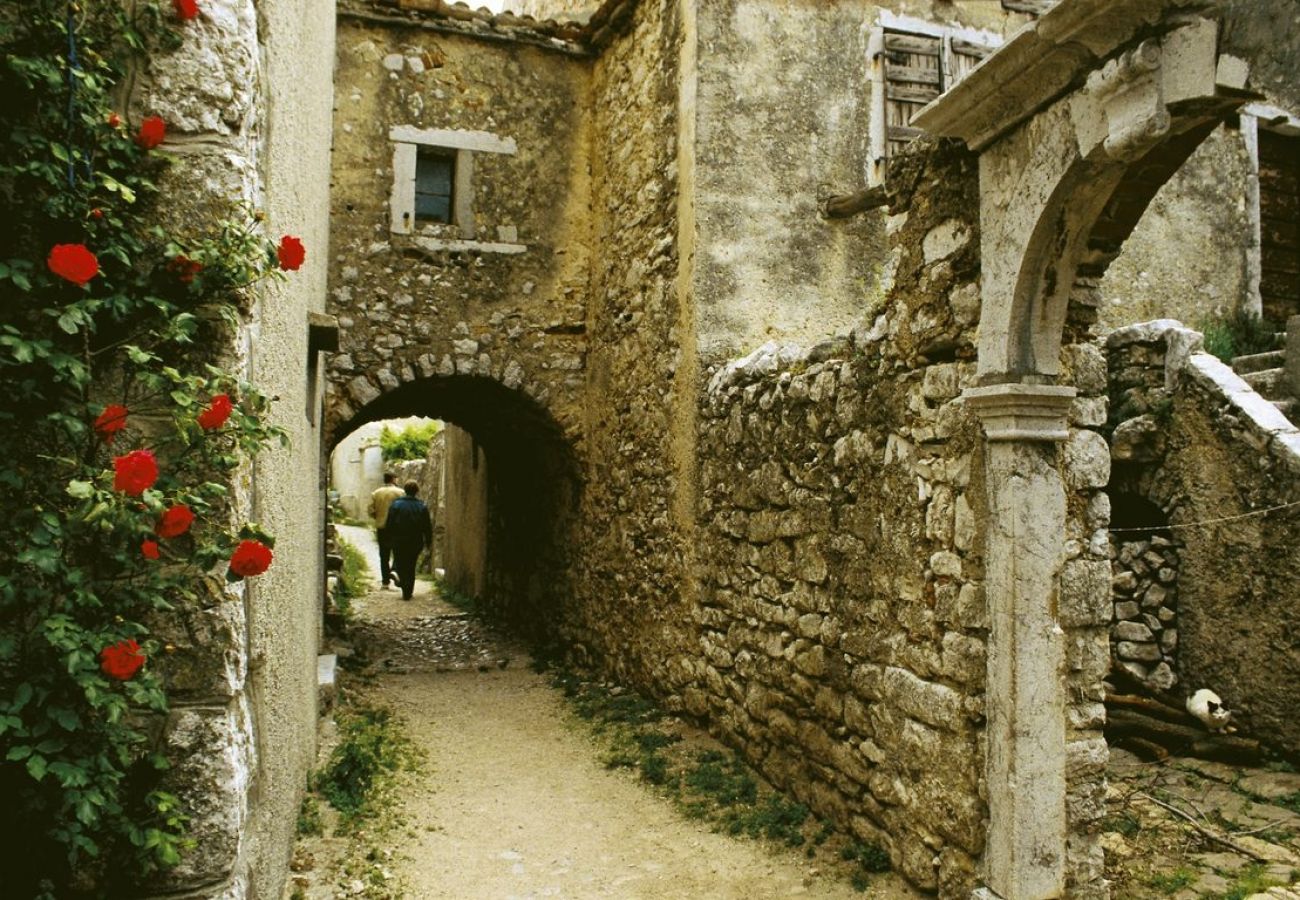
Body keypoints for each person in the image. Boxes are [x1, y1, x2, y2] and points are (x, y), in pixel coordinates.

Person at [383, 481, 432, 601]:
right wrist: (428, 541)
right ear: (417, 491)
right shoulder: (422, 506)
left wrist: (388, 539)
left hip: (398, 540)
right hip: (415, 541)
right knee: (411, 564)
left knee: (400, 562)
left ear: (405, 490)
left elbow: (389, 523)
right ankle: (408, 590)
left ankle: (401, 580)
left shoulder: (396, 505)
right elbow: (427, 526)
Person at [368, 473, 404, 589]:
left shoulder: (376, 493)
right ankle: (394, 569)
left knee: (384, 555)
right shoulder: (400, 492)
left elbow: (370, 510)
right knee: (398, 552)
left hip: (381, 527)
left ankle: (385, 582)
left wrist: (377, 517)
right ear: (393, 479)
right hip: (397, 528)